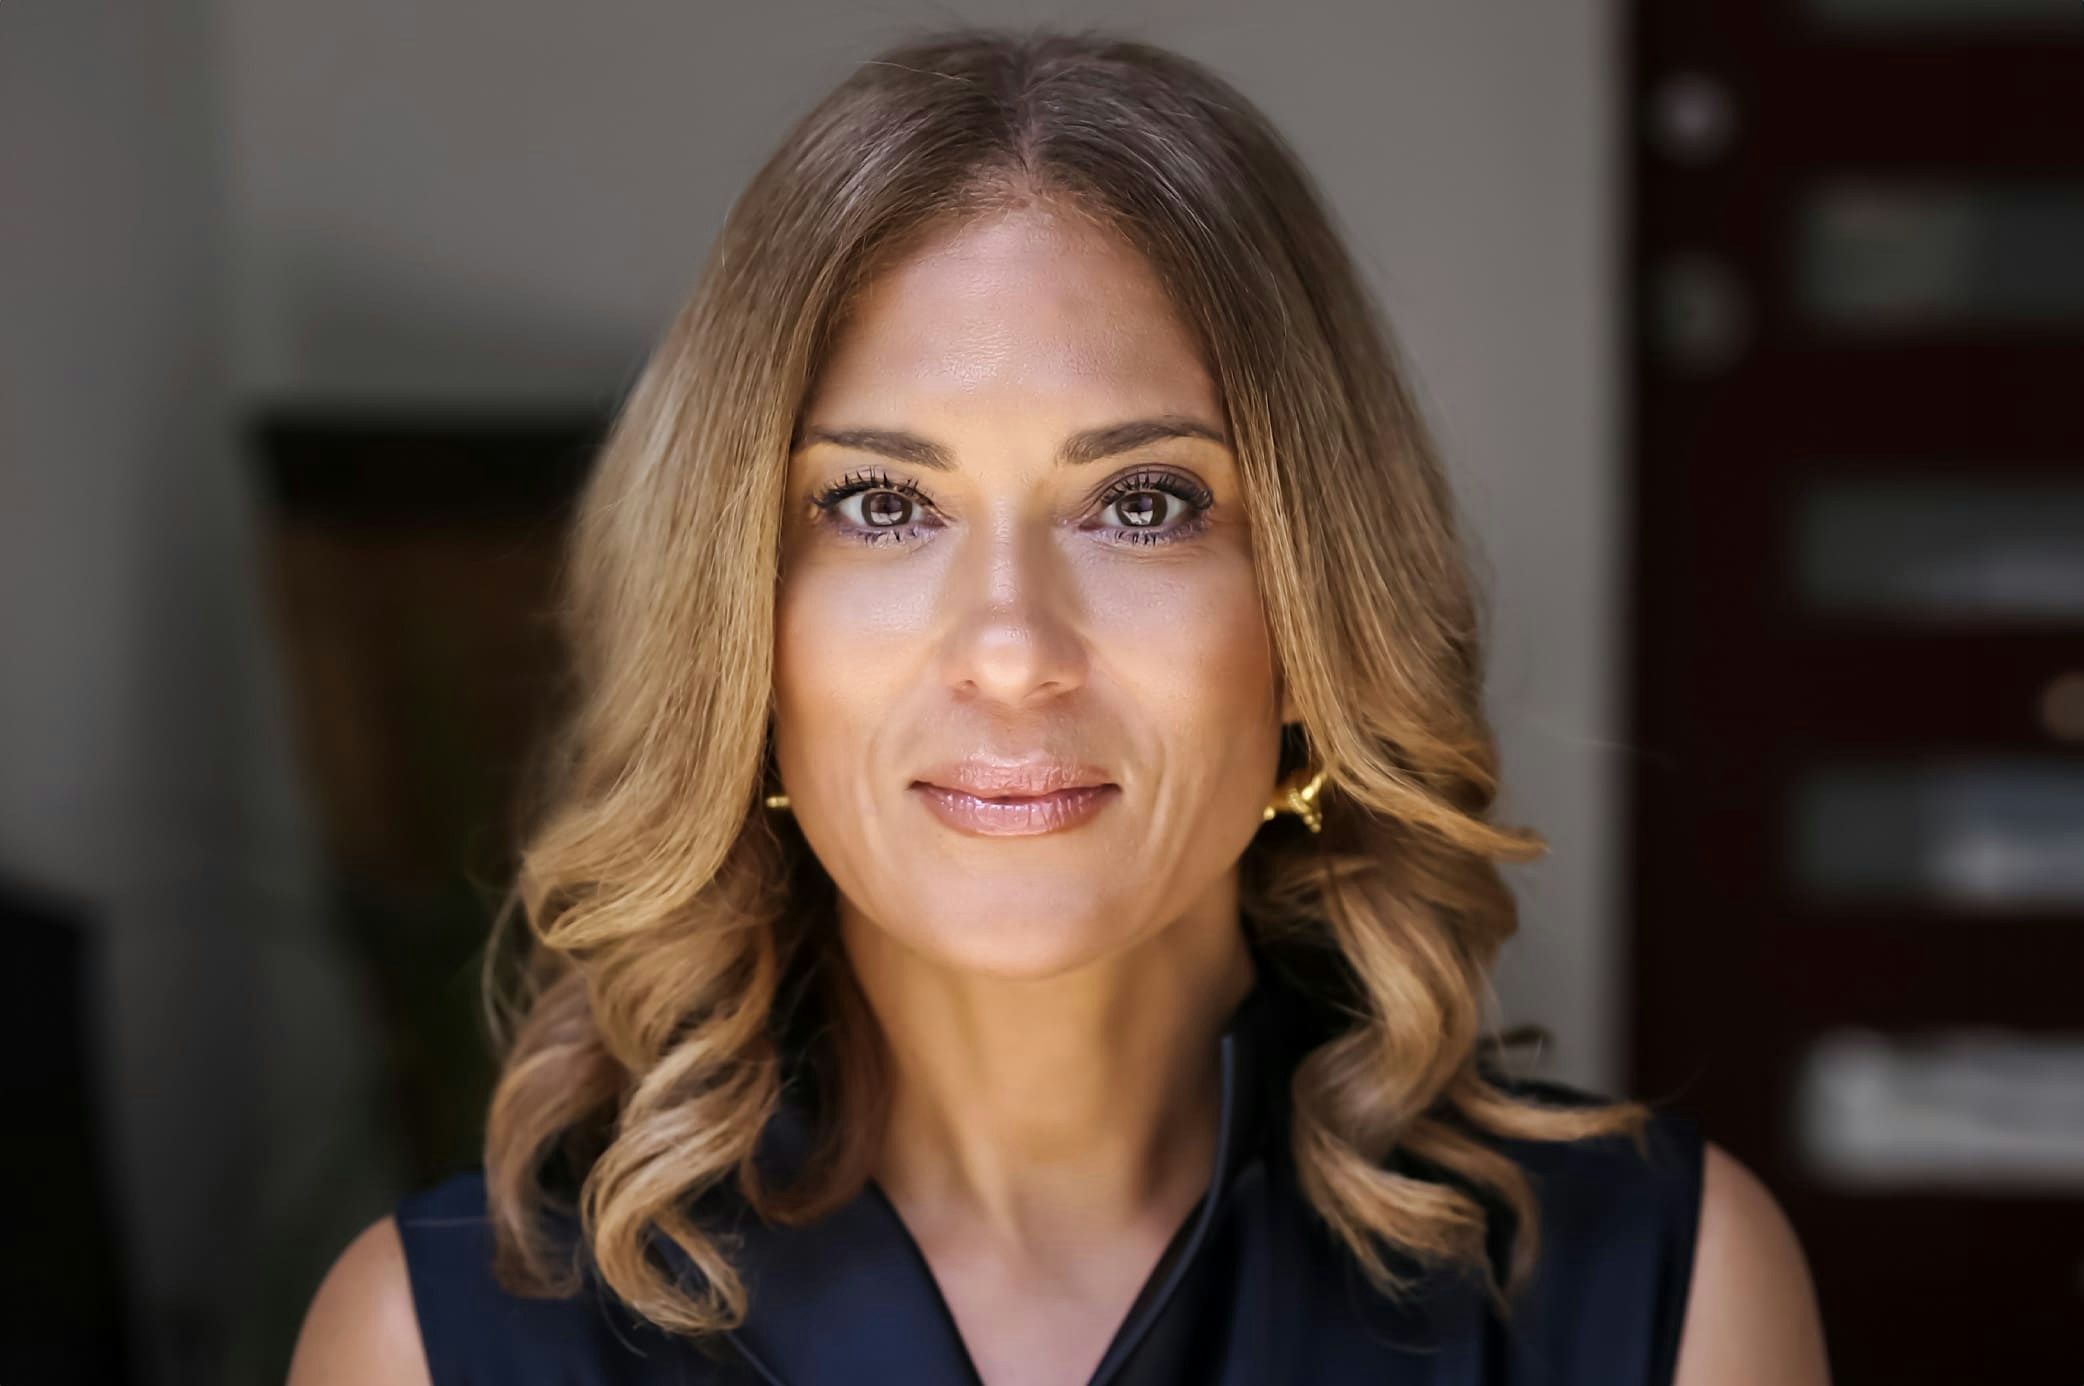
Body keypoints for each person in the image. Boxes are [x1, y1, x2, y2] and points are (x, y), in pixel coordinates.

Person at [287, 24, 1831, 1386]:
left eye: (1143, 502)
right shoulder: (439, 1343)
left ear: (1308, 616)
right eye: (883, 506)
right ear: (740, 628)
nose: (1014, 649)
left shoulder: (1657, 1294)